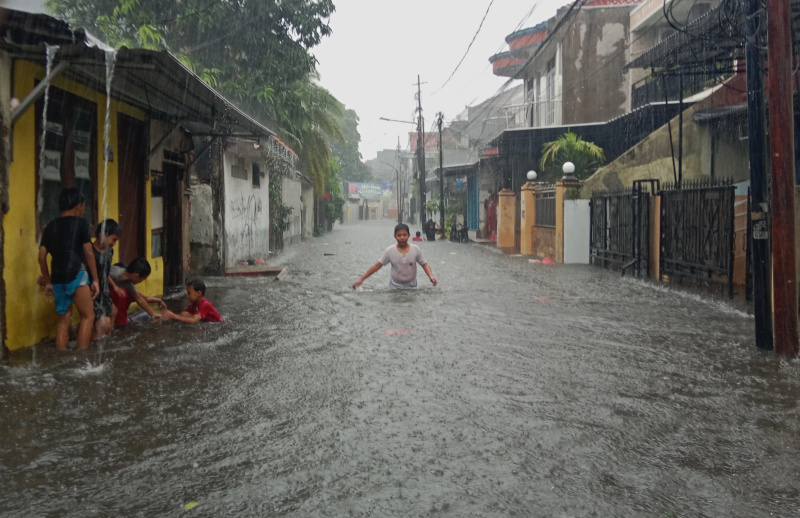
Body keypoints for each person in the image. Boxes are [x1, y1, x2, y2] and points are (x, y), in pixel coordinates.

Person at [37, 188, 100, 350]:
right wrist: (95, 279)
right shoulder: (82, 223)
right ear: (78, 205)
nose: (83, 209)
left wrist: (48, 281)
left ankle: (61, 357)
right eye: (83, 206)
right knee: (88, 316)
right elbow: (88, 252)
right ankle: (81, 357)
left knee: (63, 320)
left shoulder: (51, 226)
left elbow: (42, 256)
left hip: (57, 279)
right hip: (76, 275)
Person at [353, 223, 437, 290]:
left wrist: (431, 276)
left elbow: (424, 264)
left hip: (412, 287)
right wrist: (362, 279)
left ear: (408, 235)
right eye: (399, 235)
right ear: (395, 236)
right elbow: (377, 266)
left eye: (404, 235)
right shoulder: (390, 251)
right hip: (394, 287)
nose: (402, 238)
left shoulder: (415, 249)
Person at [91, 219, 122, 339]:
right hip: (93, 293)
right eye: (114, 239)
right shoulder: (89, 252)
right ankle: (91, 350)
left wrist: (114, 286)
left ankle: (104, 343)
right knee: (102, 325)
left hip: (104, 293)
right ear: (102, 235)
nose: (114, 243)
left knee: (113, 312)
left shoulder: (109, 252)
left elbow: (105, 272)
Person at [108, 258, 164, 325]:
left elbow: (139, 298)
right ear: (136, 276)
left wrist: (153, 314)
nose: (141, 282)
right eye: (143, 279)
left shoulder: (128, 284)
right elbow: (102, 274)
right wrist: (114, 286)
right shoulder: (116, 273)